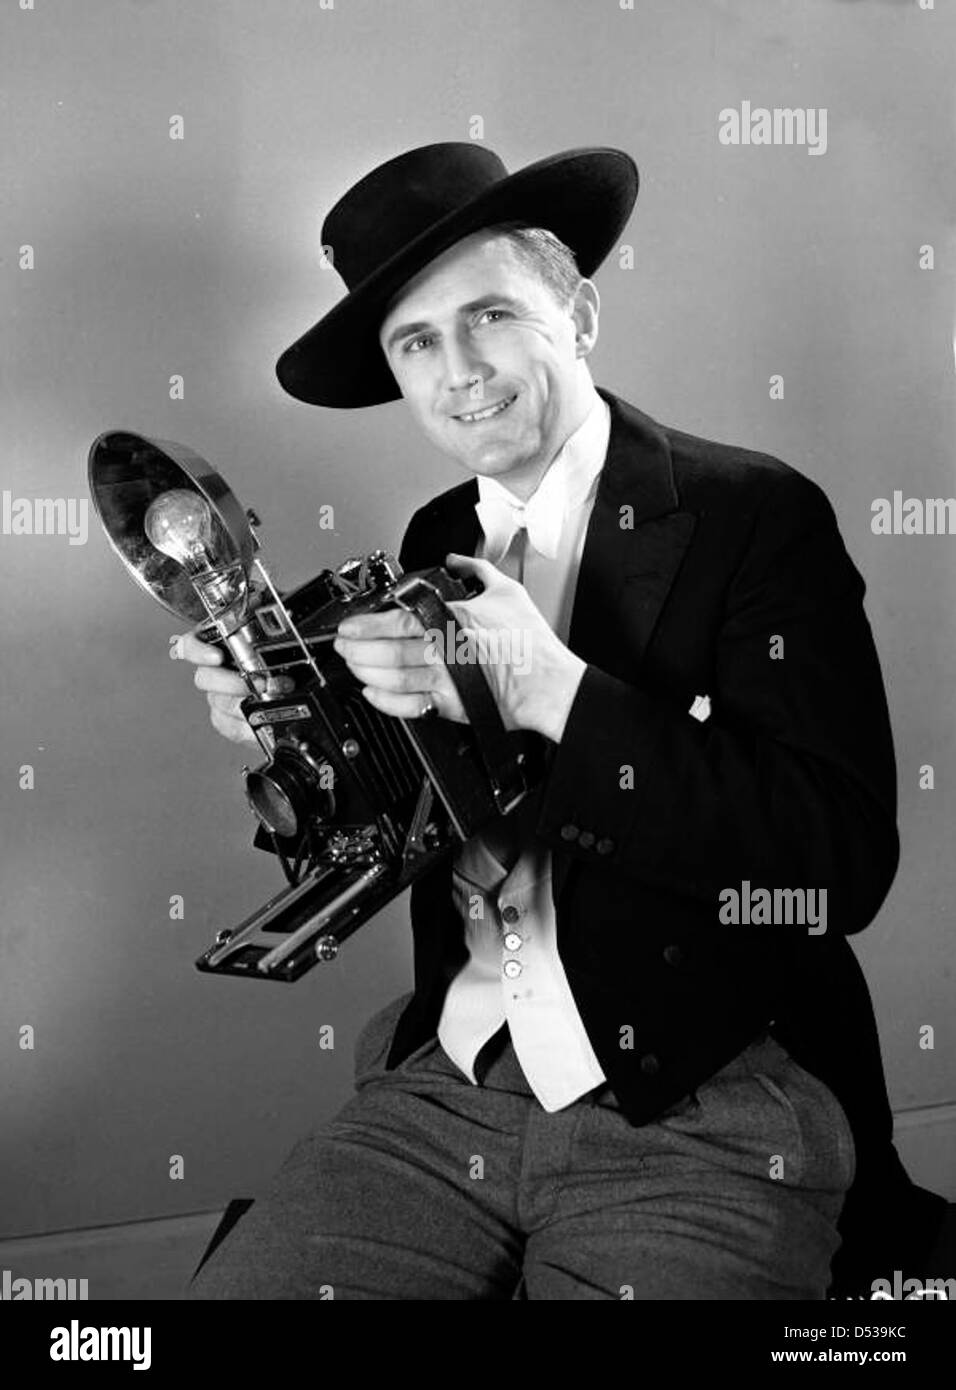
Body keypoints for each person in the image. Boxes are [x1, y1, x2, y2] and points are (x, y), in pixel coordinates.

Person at [182, 143, 944, 1299]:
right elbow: (419, 821)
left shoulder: (751, 513)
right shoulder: (432, 532)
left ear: (577, 313)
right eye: (416, 341)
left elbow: (834, 865)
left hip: (704, 1105)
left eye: (490, 313)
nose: (461, 369)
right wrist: (305, 734)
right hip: (448, 1089)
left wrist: (557, 692)